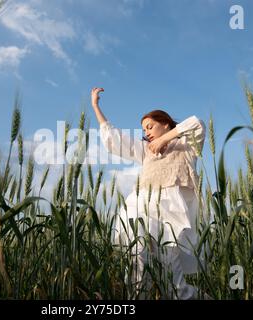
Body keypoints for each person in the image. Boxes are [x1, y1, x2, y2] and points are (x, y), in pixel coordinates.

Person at [90, 87, 209, 300]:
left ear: (166, 123)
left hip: (170, 216)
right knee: (137, 260)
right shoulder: (145, 151)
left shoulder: (186, 146)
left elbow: (197, 123)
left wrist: (165, 139)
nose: (146, 133)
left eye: (150, 127)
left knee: (173, 285)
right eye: (144, 130)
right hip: (142, 209)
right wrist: (95, 106)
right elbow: (114, 139)